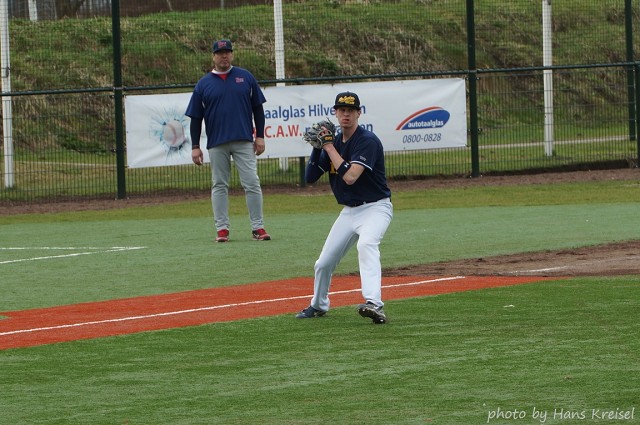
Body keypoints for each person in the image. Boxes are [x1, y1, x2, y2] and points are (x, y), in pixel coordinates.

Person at [296, 91, 393, 324]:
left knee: (367, 244)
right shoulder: (335, 142)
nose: (346, 114)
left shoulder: (367, 141)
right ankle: (318, 305)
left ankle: (375, 304)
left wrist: (328, 147)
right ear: (335, 113)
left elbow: (350, 177)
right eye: (341, 110)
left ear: (359, 113)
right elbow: (310, 178)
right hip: (350, 212)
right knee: (323, 263)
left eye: (350, 110)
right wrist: (317, 148)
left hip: (376, 208)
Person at [185, 39, 270, 242]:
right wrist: (195, 146)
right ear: (213, 56)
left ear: (232, 54)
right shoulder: (203, 84)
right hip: (217, 142)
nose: (224, 56)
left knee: (252, 182)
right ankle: (222, 229)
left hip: (243, 140)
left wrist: (259, 136)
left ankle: (258, 227)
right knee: (219, 185)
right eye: (220, 53)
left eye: (227, 52)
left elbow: (258, 109)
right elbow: (195, 118)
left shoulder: (245, 77)